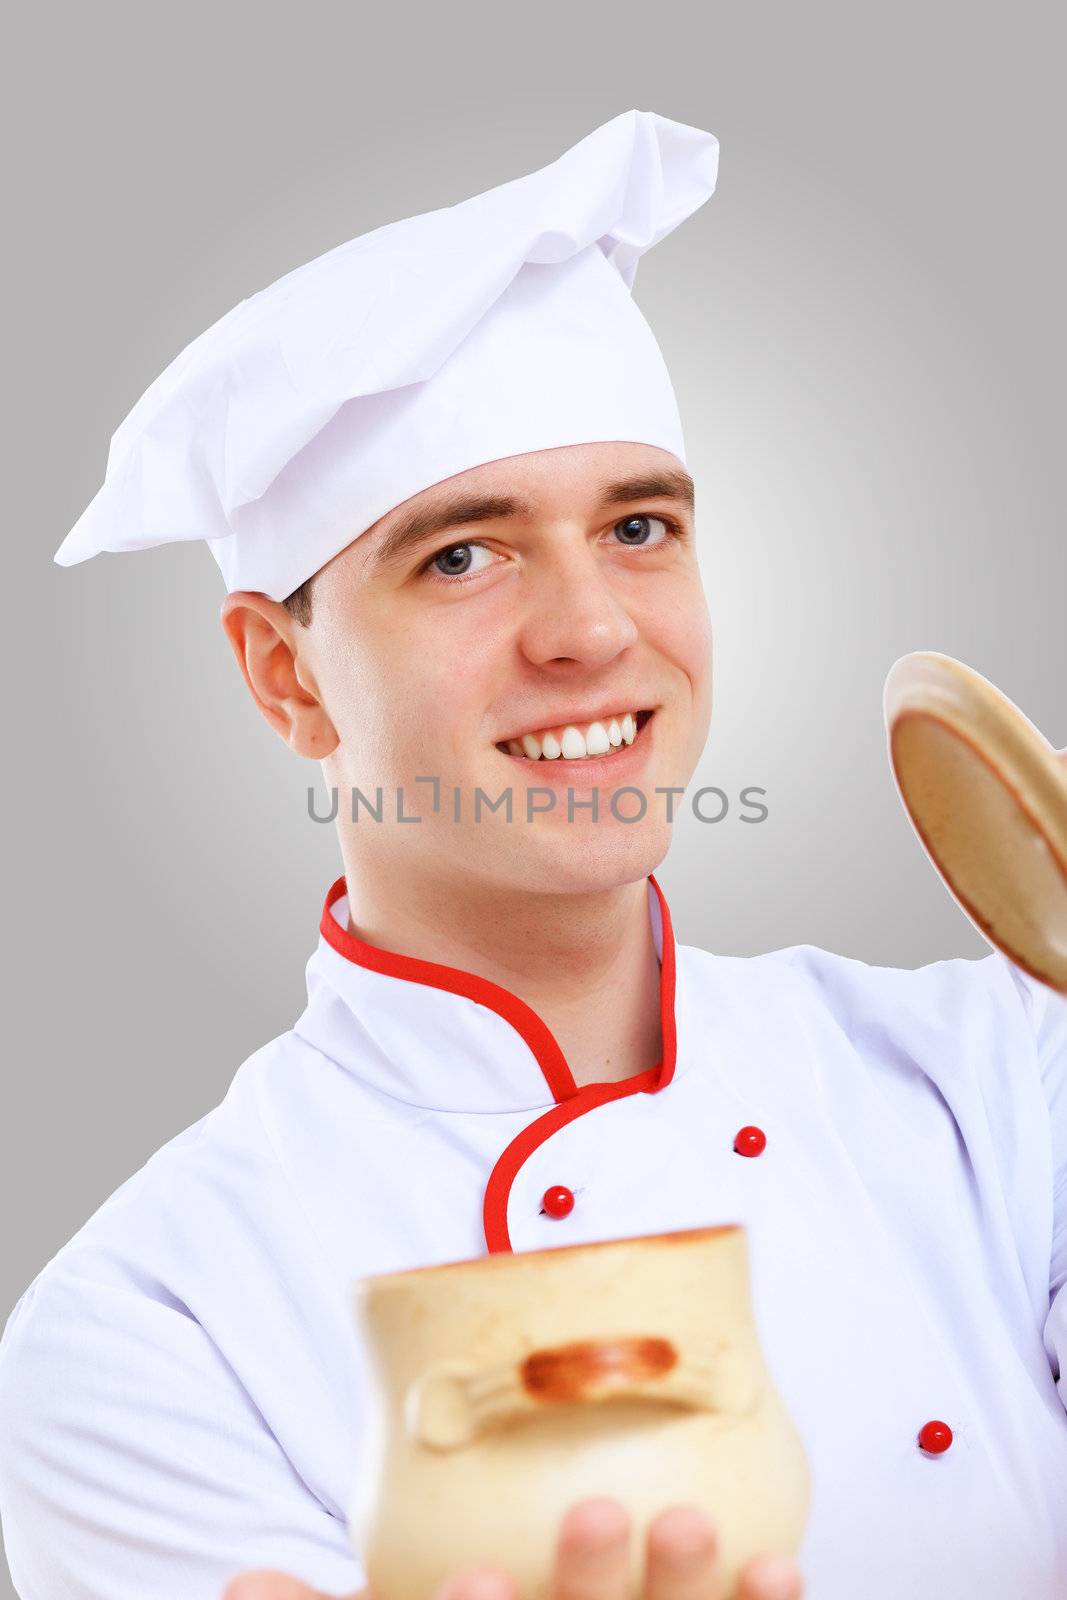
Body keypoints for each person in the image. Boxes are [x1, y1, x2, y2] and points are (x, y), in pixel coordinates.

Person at [0, 109, 1064, 1600]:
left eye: (640, 528)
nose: (590, 630)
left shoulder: (1000, 1078)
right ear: (283, 677)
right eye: (462, 555)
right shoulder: (150, 1330)